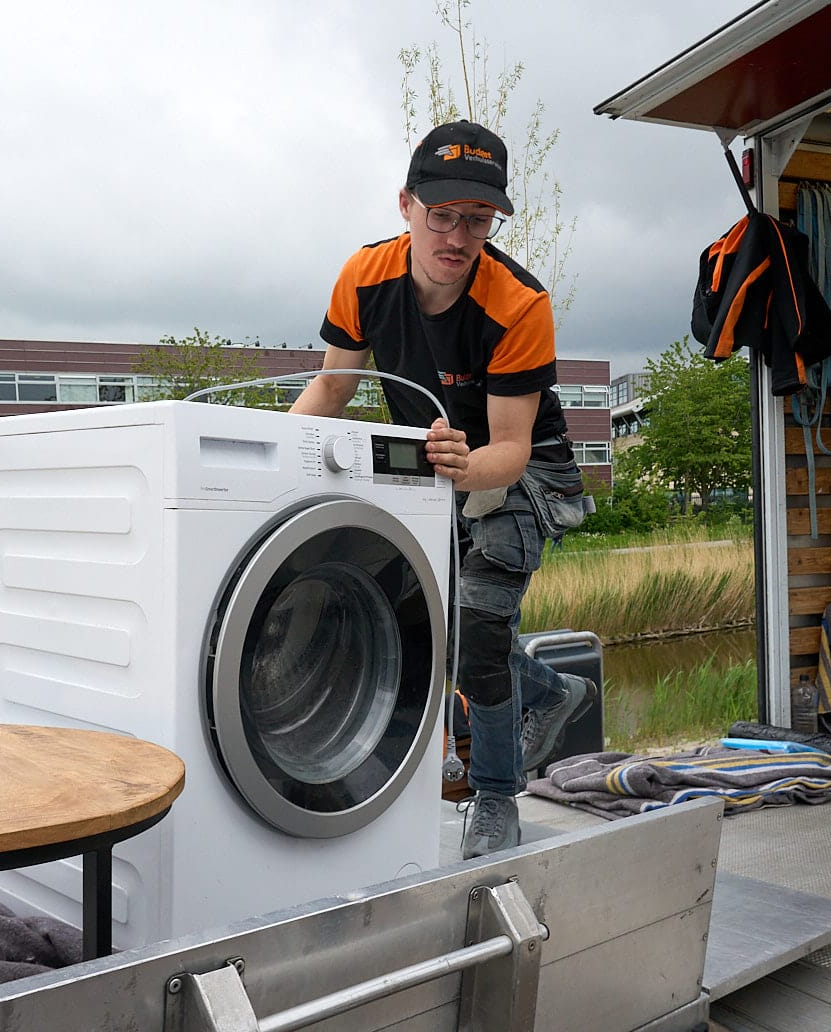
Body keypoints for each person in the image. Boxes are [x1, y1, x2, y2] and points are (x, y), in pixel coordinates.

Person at [290, 120, 598, 857]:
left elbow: (512, 448)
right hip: (437, 460)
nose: (458, 237)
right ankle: (550, 691)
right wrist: (270, 460)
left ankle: (495, 797)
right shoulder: (363, 277)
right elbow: (332, 386)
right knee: (431, 620)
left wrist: (468, 465)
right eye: (443, 215)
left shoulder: (519, 304)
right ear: (406, 205)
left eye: (479, 219)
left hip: (520, 470)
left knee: (481, 629)